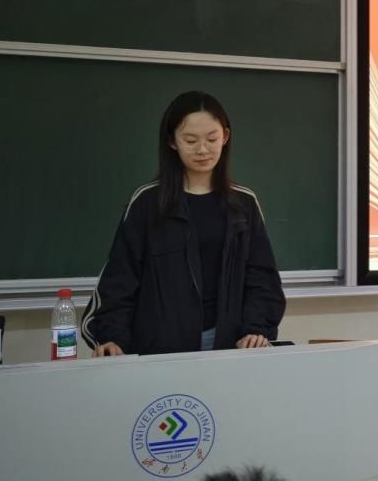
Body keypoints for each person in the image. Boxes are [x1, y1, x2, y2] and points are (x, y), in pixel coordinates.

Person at [81, 91, 286, 356]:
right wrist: (112, 336)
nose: (202, 149)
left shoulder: (244, 204)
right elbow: (120, 279)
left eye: (211, 139)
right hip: (158, 349)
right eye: (190, 140)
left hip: (229, 347)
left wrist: (256, 329)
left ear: (225, 137)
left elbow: (262, 279)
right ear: (172, 141)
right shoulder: (147, 203)